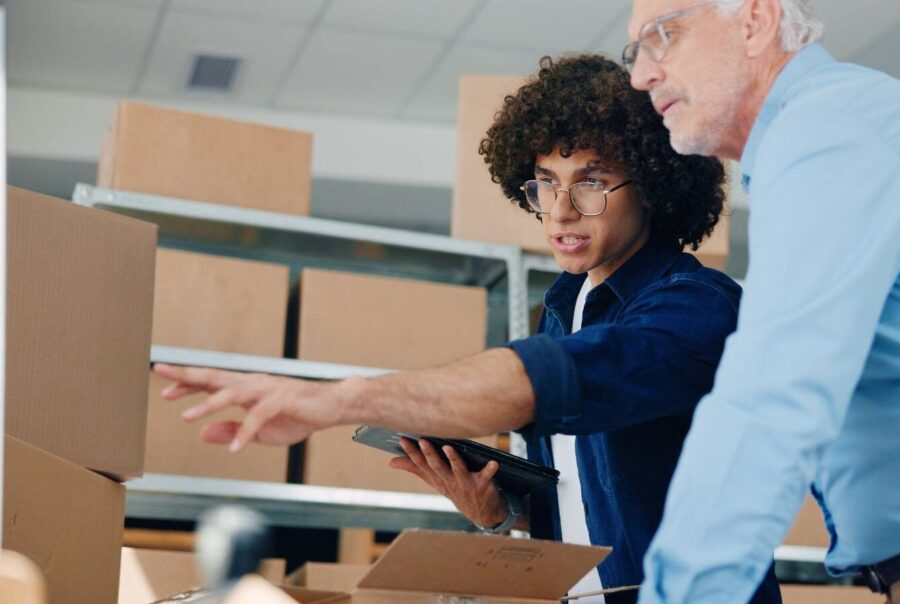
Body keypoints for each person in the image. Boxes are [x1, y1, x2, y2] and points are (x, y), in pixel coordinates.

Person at [153, 55, 779, 604]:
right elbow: (596, 507)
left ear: (657, 185)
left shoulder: (698, 306)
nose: (561, 211)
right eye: (546, 184)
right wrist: (500, 513)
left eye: (590, 181)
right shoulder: (565, 308)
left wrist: (334, 399)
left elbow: (555, 382)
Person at [622, 1, 900, 603]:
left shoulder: (829, 130)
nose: (640, 75)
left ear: (755, 22)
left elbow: (772, 397)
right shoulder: (814, 139)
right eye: (634, 51)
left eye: (662, 36)